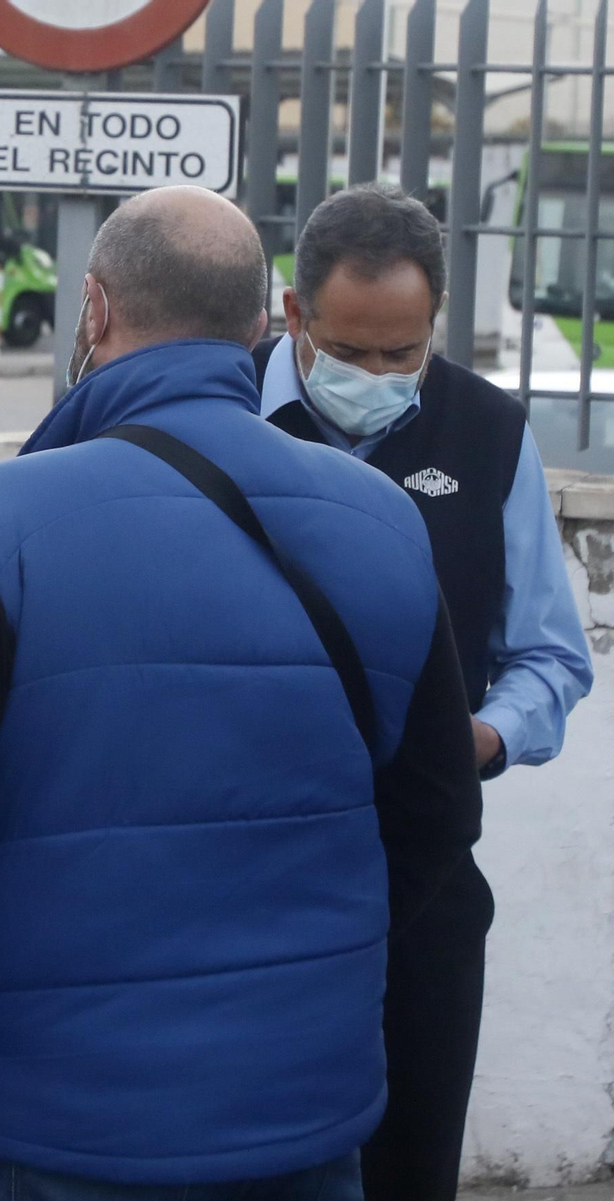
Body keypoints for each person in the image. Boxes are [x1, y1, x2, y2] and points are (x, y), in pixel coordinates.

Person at [0, 186, 485, 1201]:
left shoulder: (0, 522)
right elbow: (438, 809)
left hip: (48, 1118)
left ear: (93, 308)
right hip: (298, 1111)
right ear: (263, 322)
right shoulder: (383, 521)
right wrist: (314, 967)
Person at [255, 184, 595, 1201]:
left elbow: (550, 654)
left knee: (408, 1165)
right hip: (244, 875)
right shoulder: (217, 413)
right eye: (347, 351)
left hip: (424, 877)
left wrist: (482, 737)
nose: (374, 377)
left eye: (400, 353)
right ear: (294, 313)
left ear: (435, 321)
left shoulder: (487, 431)